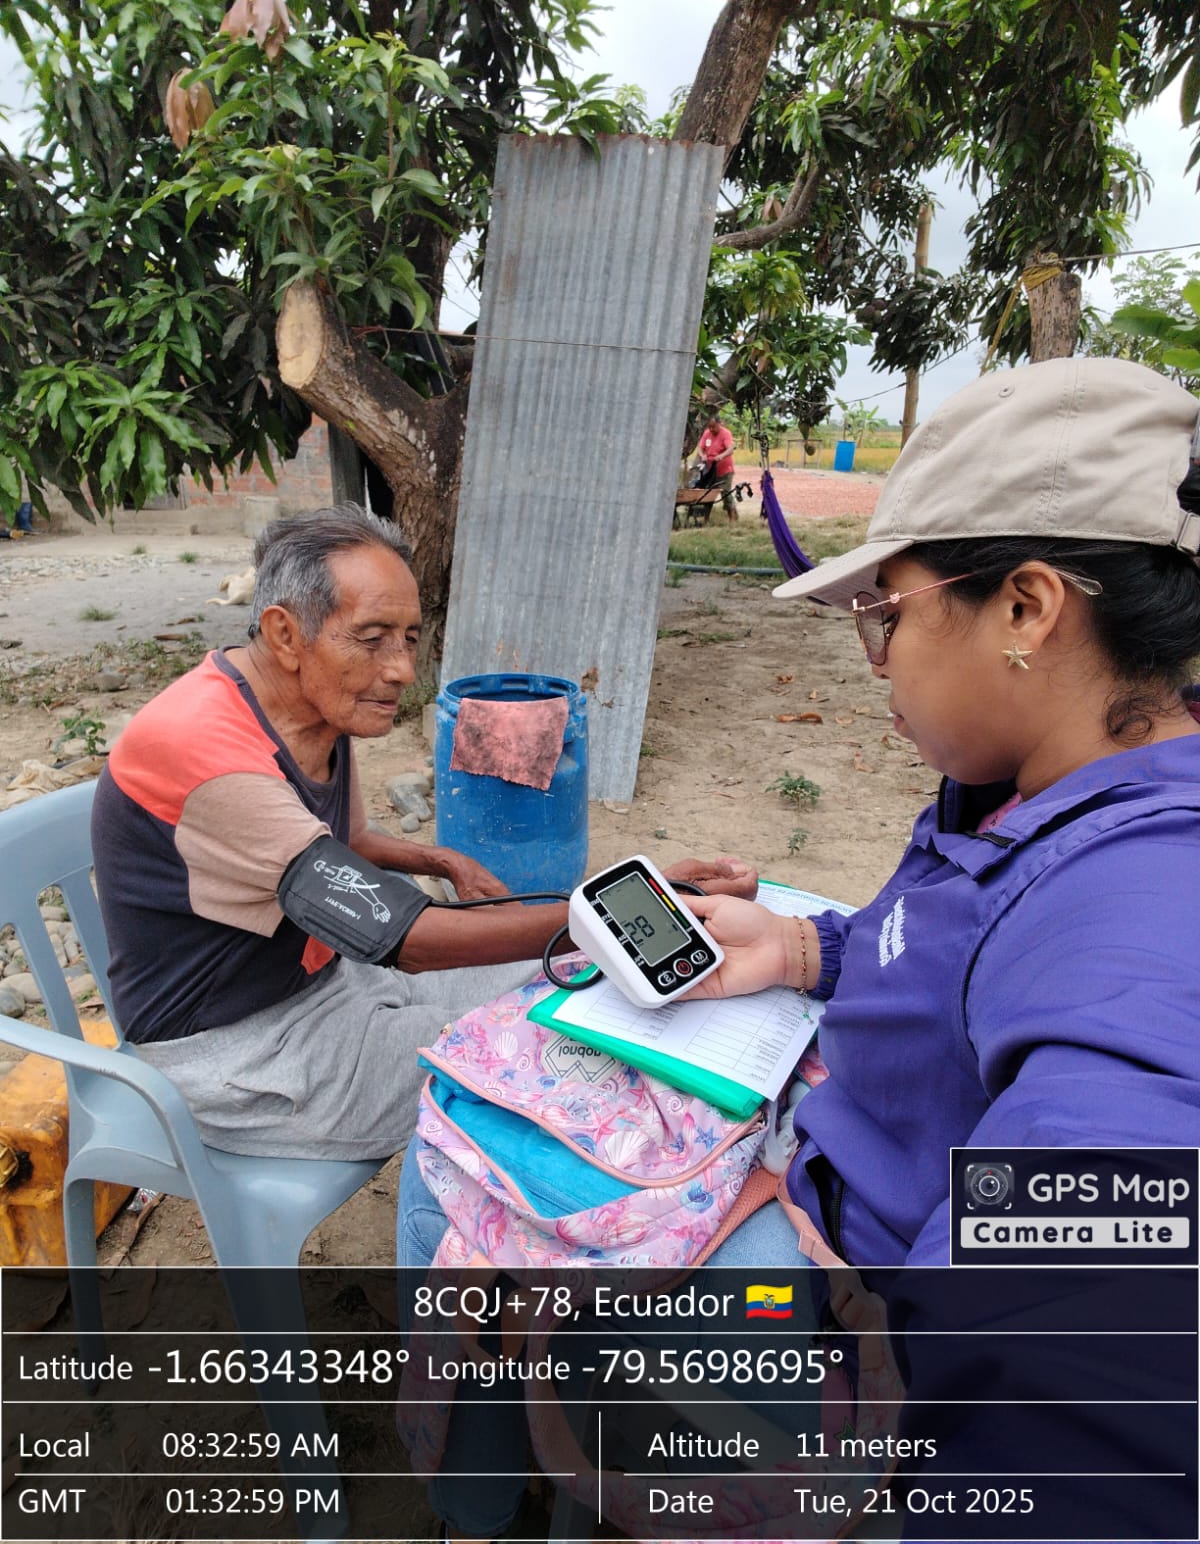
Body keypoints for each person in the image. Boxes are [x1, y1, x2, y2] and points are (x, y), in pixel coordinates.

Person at [396, 355, 1200, 1542]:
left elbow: (1088, 1337)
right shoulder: (1038, 786)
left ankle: (476, 1507)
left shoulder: (1145, 899)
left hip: (834, 1310)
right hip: (823, 1171)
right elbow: (953, 956)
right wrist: (803, 948)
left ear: (1027, 609)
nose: (877, 661)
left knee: (451, 1173)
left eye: (889, 616)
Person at [91, 504, 754, 1160]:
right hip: (245, 1054)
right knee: (561, 1056)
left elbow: (342, 840)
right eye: (372, 637)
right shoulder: (211, 755)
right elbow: (404, 941)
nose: (403, 670)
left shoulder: (309, 702)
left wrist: (441, 860)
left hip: (335, 979)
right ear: (286, 633)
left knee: (568, 974)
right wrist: (624, 912)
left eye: (409, 638)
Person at [694, 410, 738, 521]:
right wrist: (703, 455)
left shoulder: (725, 433)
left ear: (719, 423)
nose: (711, 429)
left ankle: (732, 519)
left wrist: (721, 456)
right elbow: (700, 448)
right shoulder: (707, 433)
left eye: (713, 426)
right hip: (710, 470)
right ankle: (706, 518)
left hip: (725, 470)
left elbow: (730, 449)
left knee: (726, 493)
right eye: (709, 427)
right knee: (707, 493)